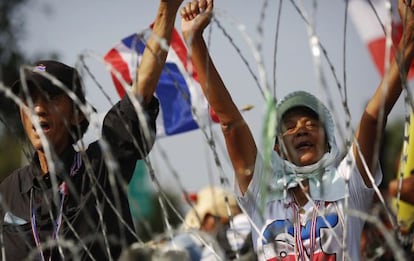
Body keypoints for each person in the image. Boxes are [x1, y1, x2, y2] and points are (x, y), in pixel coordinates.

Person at [180, 0, 414, 260]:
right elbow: (230, 123)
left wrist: (409, 39)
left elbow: (373, 119)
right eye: (290, 127)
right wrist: (194, 41)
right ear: (278, 148)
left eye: (312, 124)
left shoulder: (349, 185)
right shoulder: (261, 192)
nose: (301, 129)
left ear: (327, 142)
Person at [0, 0, 183, 260]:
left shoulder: (101, 167)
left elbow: (139, 94)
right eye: (29, 99)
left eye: (50, 97)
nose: (38, 108)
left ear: (77, 114)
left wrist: (167, 11)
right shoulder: (9, 191)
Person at [183, 185, 255, 260]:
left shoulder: (239, 224)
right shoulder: (251, 221)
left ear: (219, 213)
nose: (201, 228)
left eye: (204, 221)